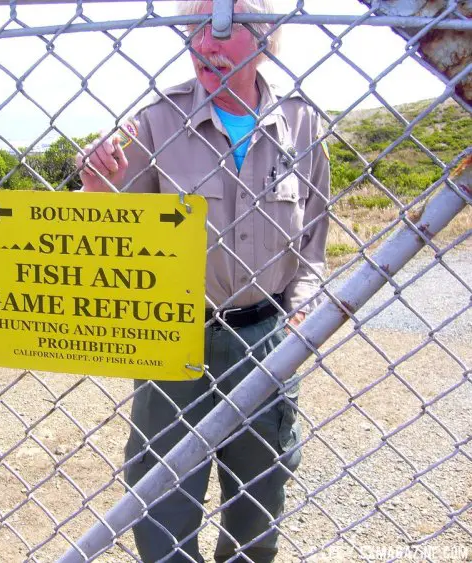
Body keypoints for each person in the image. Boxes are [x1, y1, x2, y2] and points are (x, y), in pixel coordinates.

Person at [75, 0, 330, 561]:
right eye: (193, 31)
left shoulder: (302, 122)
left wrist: (300, 314)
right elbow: (109, 224)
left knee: (259, 491)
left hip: (266, 335)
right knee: (162, 493)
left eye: (221, 31)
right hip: (171, 338)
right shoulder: (157, 120)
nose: (203, 45)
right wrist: (97, 181)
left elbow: (312, 239)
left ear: (265, 38)